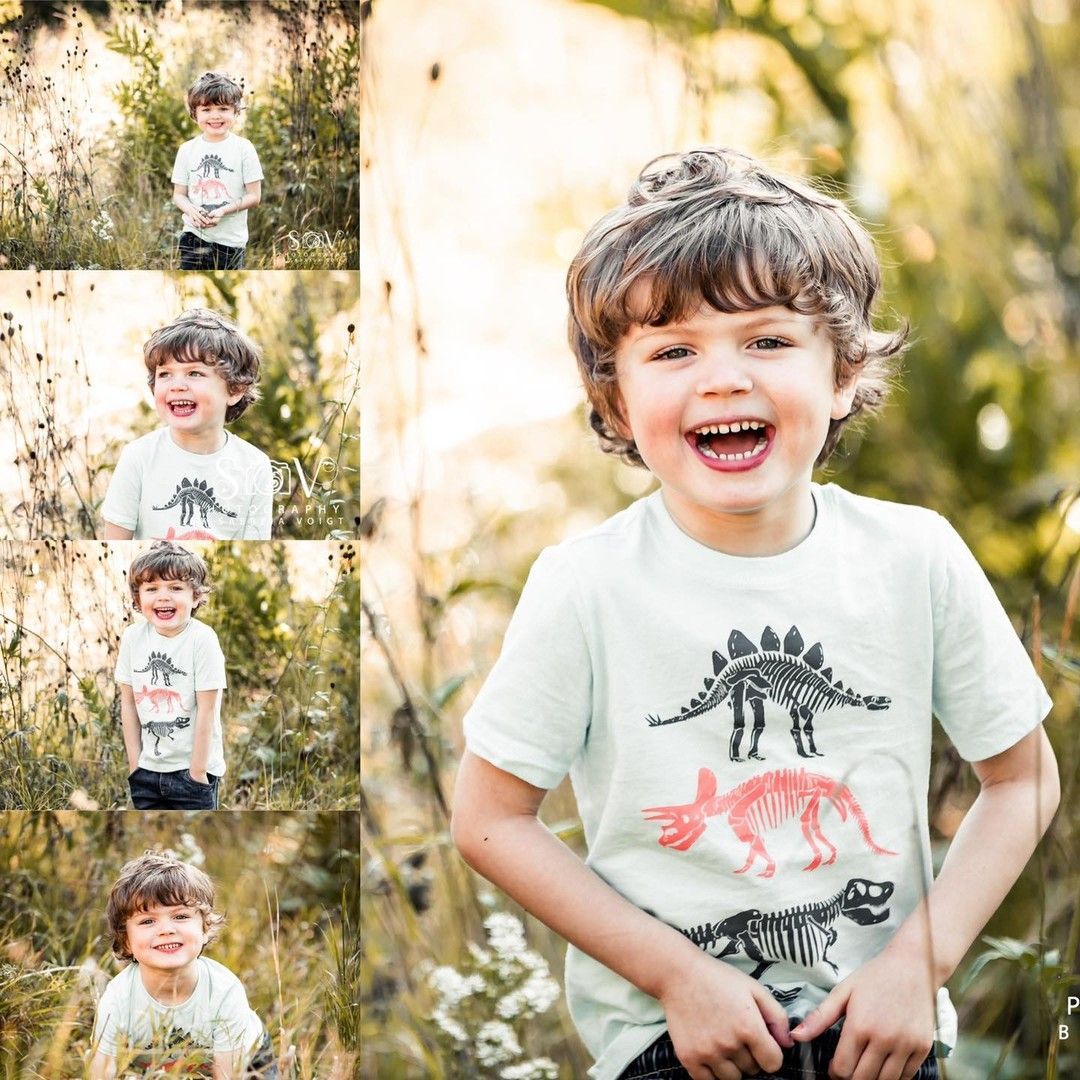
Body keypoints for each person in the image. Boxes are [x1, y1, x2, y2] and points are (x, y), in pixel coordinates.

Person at [451, 148, 1059, 1080]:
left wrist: (918, 965)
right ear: (614, 397)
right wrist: (674, 977)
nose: (724, 379)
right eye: (674, 350)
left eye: (768, 341)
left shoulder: (916, 554)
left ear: (844, 372)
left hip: (882, 1030)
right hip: (676, 1041)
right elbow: (490, 819)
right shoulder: (585, 584)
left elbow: (1022, 782)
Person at [89, 852, 277, 1078]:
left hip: (246, 1061)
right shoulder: (118, 998)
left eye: (180, 916)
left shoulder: (224, 991)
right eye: (148, 921)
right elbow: (101, 1072)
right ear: (126, 941)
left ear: (205, 928)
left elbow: (227, 1075)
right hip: (155, 1066)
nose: (166, 930)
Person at [101, 308, 273, 540]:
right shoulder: (138, 456)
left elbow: (255, 544)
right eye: (165, 374)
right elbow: (114, 540)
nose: (177, 385)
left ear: (234, 389)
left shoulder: (255, 466)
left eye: (194, 373)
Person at [117, 542, 227, 811]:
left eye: (176, 588)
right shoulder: (133, 637)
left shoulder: (203, 640)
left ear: (196, 596)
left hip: (192, 776)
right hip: (146, 773)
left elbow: (207, 710)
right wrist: (135, 767)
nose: (163, 597)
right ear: (137, 598)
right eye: (152, 589)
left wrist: (197, 773)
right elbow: (129, 704)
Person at [171, 71, 263, 270]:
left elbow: (254, 197)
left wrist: (222, 210)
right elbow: (179, 195)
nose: (215, 116)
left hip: (230, 242)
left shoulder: (244, 148)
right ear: (195, 113)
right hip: (192, 237)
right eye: (206, 109)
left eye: (223, 108)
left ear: (235, 111)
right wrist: (192, 211)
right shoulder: (186, 150)